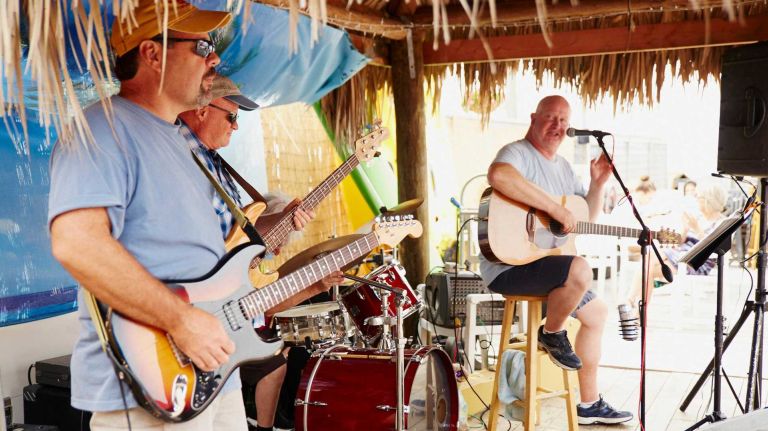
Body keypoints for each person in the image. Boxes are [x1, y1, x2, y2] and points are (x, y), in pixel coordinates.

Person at [49, 1, 246, 428]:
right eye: (201, 47)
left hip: (214, 377)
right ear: (151, 54)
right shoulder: (103, 129)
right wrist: (180, 321)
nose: (214, 58)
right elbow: (77, 243)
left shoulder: (180, 143)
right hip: (150, 389)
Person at [177, 74, 344, 431]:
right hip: (198, 324)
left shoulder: (214, 164)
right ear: (203, 110)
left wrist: (282, 223)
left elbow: (244, 241)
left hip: (221, 329)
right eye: (232, 117)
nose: (236, 127)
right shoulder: (178, 156)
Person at [479, 95, 633, 425]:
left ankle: (589, 405)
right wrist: (551, 208)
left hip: (543, 264)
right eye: (550, 118)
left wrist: (596, 185)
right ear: (534, 119)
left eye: (563, 121)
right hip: (509, 266)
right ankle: (551, 333)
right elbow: (499, 176)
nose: (558, 126)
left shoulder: (562, 167)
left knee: (597, 312)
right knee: (579, 268)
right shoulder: (517, 152)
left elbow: (581, 217)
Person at [624, 182, 727, 309]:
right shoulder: (699, 217)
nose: (696, 200)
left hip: (697, 262)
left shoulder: (721, 222)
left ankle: (629, 300)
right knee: (648, 270)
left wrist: (697, 229)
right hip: (681, 256)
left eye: (698, 197)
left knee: (648, 259)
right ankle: (638, 313)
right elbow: (681, 241)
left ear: (708, 200)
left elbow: (714, 249)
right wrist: (685, 228)